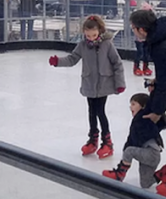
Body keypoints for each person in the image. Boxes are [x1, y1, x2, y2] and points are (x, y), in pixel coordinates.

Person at [49, 15, 126, 158]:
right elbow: (72, 59)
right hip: (89, 83)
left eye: (94, 35)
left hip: (104, 83)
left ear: (100, 31)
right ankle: (93, 139)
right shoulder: (83, 45)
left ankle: (107, 142)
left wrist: (120, 83)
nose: (91, 38)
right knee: (91, 111)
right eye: (88, 35)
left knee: (100, 111)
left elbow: (117, 63)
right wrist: (57, 61)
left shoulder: (107, 44)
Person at [130, 10, 166, 197]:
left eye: (133, 29)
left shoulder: (161, 46)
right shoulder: (165, 31)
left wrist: (158, 111)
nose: (133, 32)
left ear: (142, 30)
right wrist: (158, 80)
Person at [102, 93, 166, 188]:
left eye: (133, 104)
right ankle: (165, 173)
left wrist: (154, 89)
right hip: (149, 156)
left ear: (143, 106)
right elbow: (131, 139)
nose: (130, 107)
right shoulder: (139, 121)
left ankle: (119, 174)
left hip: (151, 154)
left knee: (129, 151)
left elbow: (151, 103)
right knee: (145, 183)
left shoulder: (144, 117)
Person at [133, 3, 153, 76]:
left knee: (146, 54)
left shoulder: (149, 21)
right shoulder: (138, 20)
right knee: (140, 53)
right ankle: (136, 67)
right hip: (139, 40)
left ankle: (145, 67)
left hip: (146, 39)